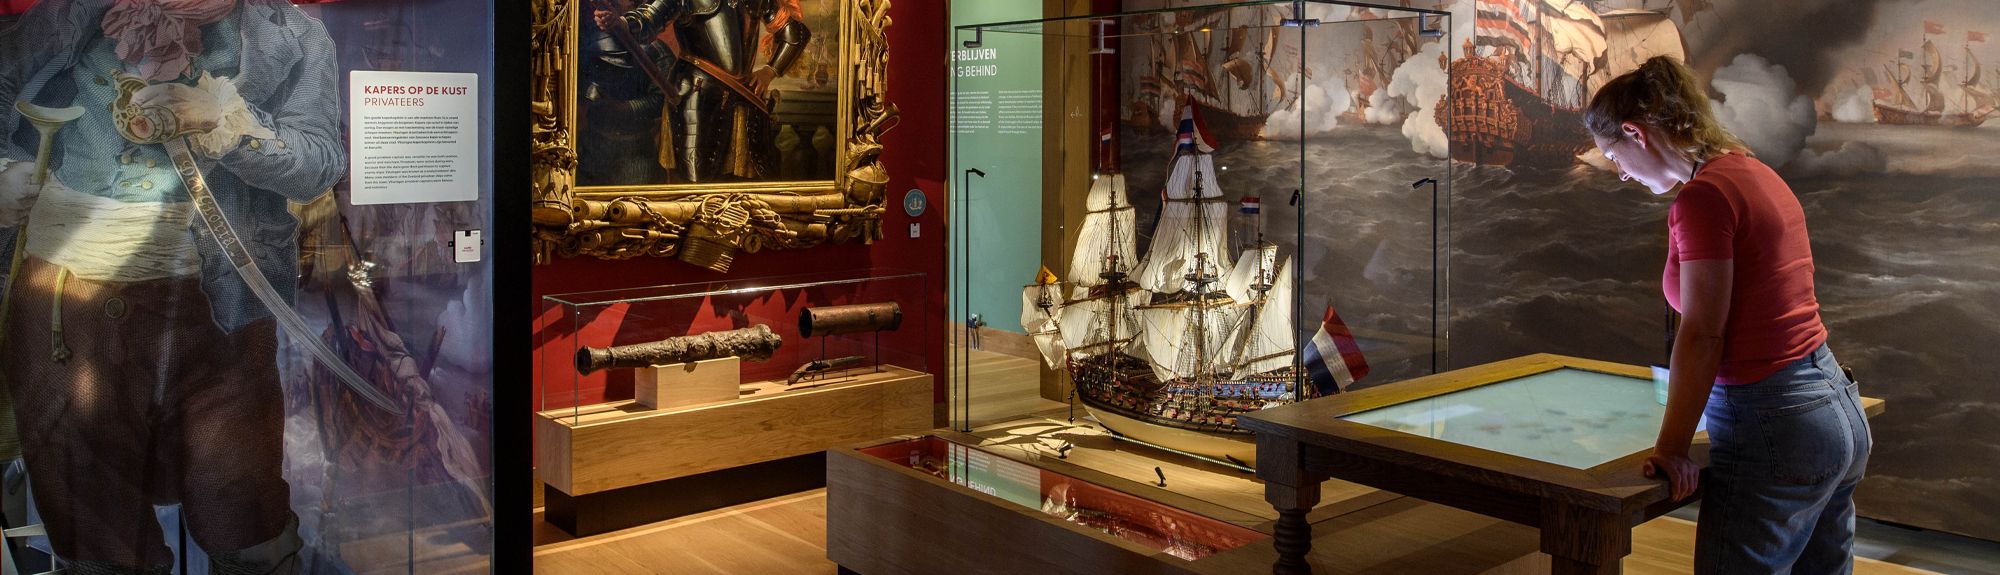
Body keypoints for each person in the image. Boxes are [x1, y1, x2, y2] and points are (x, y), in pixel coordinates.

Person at [0, 0, 346, 572]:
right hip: (66, 313)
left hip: (224, 318)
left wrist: (229, 123)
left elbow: (319, 164)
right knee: (99, 540)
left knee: (249, 526)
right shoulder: (68, 13)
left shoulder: (297, 35)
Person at [1585, 55, 1873, 574]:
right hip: (1835, 409)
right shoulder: (1753, 171)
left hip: (1774, 423)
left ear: (1635, 131)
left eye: (1615, 155)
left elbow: (1702, 334)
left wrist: (1672, 448)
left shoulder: (1702, 198)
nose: (1622, 174)